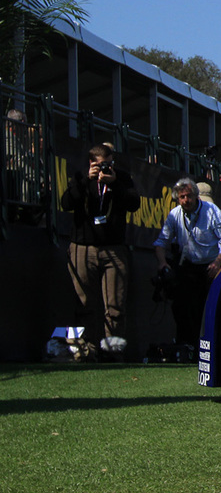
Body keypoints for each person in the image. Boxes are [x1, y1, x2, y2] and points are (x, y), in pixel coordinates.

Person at [59, 143, 140, 359]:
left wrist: (114, 184)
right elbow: (66, 203)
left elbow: (134, 204)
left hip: (114, 247)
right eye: (100, 165)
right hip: (83, 247)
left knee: (115, 305)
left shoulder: (121, 178)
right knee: (83, 301)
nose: (105, 169)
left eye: (109, 164)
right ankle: (84, 350)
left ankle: (112, 350)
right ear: (90, 163)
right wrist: (87, 180)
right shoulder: (80, 178)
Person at [154, 177, 221, 353]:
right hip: (188, 265)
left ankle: (212, 347)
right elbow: (161, 242)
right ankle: (186, 345)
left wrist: (218, 262)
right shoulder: (175, 215)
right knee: (182, 307)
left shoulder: (212, 212)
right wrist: (163, 263)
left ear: (196, 196)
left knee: (208, 307)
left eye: (188, 196)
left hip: (211, 265)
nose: (185, 201)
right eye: (182, 197)